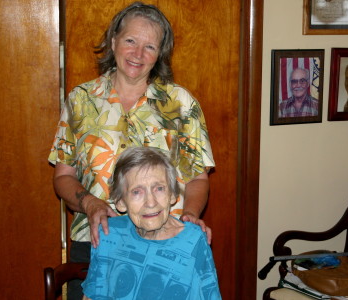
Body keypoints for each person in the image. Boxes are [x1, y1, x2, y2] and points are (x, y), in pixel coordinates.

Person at [48, 2, 215, 299]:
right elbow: (62, 176)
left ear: (159, 55)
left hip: (164, 243)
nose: (138, 54)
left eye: (150, 46)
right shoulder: (81, 100)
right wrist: (90, 204)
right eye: (130, 41)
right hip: (97, 241)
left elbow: (198, 179)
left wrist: (190, 213)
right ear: (113, 42)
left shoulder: (180, 104)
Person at [81, 147, 221, 300]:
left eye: (159, 188)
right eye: (137, 192)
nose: (150, 202)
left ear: (173, 195)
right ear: (120, 202)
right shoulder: (109, 234)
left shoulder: (194, 240)